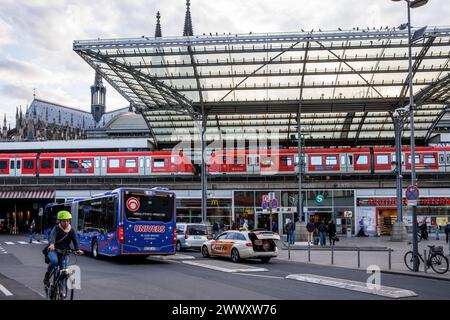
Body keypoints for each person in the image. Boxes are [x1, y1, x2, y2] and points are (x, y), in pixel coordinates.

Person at [43, 210, 83, 287]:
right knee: (54, 261)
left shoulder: (71, 230)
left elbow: (75, 240)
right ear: (60, 221)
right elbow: (52, 236)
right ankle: (47, 275)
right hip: (53, 250)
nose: (66, 223)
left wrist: (77, 249)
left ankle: (61, 289)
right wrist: (52, 244)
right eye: (64, 221)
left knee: (64, 270)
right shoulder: (56, 228)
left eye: (68, 221)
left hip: (65, 252)